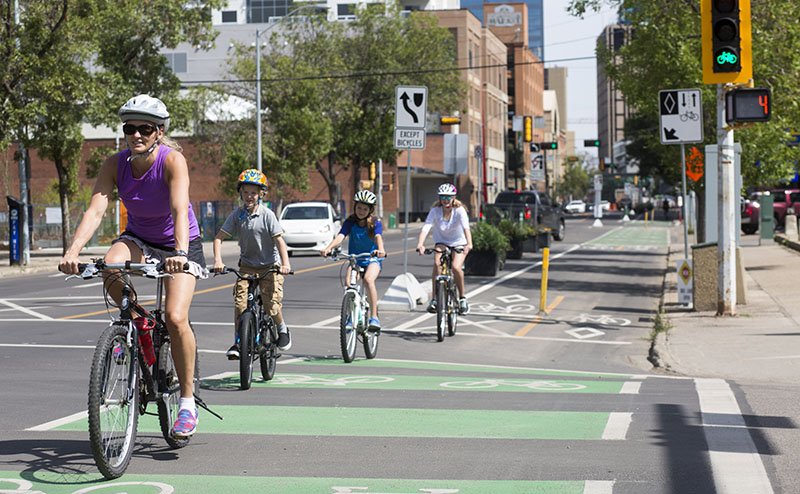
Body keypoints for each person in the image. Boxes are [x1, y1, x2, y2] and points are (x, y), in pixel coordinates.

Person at [59, 94, 207, 438]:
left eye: (145, 128)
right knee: (111, 264)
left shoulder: (173, 161)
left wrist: (181, 253)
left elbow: (178, 209)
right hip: (138, 238)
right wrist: (73, 250)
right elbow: (96, 211)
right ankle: (138, 322)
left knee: (174, 317)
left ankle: (187, 402)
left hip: (179, 245)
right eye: (130, 128)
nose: (137, 134)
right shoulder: (115, 163)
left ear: (159, 131)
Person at [212, 169, 293, 359]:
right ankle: (238, 342)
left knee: (271, 304)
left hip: (270, 266)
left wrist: (285, 264)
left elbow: (280, 241)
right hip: (247, 266)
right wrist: (218, 260)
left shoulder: (267, 215)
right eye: (246, 192)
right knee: (240, 305)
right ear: (240, 192)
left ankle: (282, 329)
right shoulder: (238, 215)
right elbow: (218, 238)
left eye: (254, 192)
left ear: (261, 194)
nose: (249, 196)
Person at [321, 190, 386, 331]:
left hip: (372, 258)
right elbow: (340, 236)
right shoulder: (350, 222)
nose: (361, 211)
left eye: (365, 209)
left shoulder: (375, 222)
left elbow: (378, 237)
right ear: (355, 207)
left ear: (370, 210)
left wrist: (380, 249)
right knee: (348, 284)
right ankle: (351, 316)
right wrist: (328, 248)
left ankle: (374, 317)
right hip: (354, 259)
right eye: (359, 208)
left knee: (368, 280)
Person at [416, 183, 472, 315]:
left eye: (448, 197)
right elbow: (426, 227)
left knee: (456, 267)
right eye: (443, 197)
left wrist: (469, 244)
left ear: (453, 198)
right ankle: (435, 299)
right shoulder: (435, 211)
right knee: (437, 264)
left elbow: (466, 228)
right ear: (439, 198)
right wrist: (420, 244)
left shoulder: (459, 211)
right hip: (442, 242)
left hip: (458, 242)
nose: (445, 200)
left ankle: (462, 298)